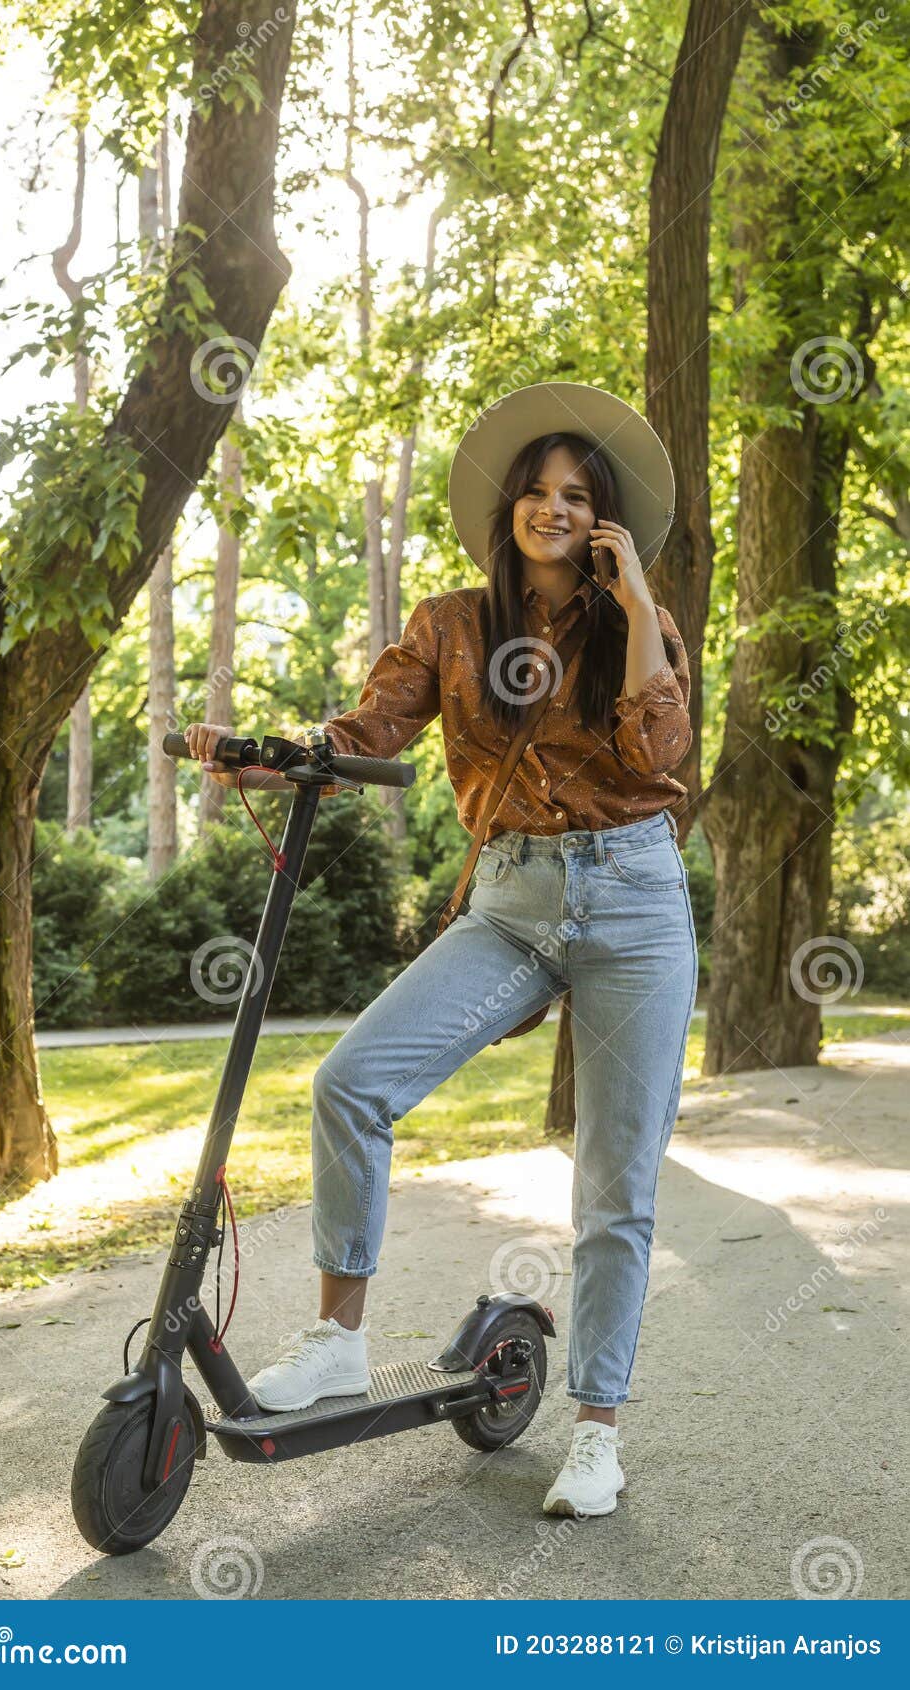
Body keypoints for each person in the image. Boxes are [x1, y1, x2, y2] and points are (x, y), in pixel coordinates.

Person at [183, 382, 698, 1519]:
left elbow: (660, 752)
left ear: (603, 517)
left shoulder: (635, 625)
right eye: (537, 490)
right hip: (511, 899)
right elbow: (363, 732)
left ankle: (597, 1432)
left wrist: (636, 590)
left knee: (612, 1187)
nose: (552, 508)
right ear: (507, 504)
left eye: (578, 496)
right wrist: (268, 752)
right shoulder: (450, 625)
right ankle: (336, 1340)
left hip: (635, 902)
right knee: (350, 1083)